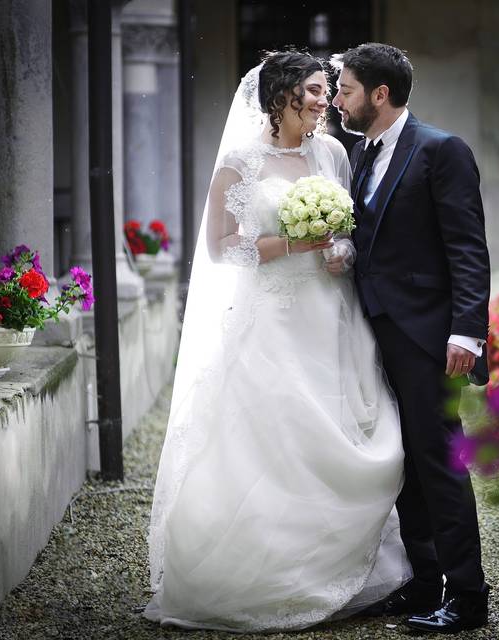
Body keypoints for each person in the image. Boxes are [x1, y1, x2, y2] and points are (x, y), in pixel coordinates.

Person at [143, 49, 411, 632]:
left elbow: (347, 233)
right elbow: (222, 248)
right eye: (314, 91)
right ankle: (268, 573)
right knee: (273, 435)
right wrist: (294, 243)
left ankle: (340, 570)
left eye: (326, 91)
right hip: (272, 318)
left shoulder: (334, 153)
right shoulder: (239, 163)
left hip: (333, 313)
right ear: (280, 96)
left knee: (344, 425)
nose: (324, 101)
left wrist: (338, 248)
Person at [330, 42, 492, 634]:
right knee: (401, 461)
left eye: (345, 90)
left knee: (439, 461)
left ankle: (467, 596)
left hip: (428, 336)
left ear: (379, 94)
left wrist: (468, 332)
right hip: (371, 332)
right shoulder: (356, 151)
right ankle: (422, 583)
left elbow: (467, 247)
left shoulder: (441, 150)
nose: (338, 101)